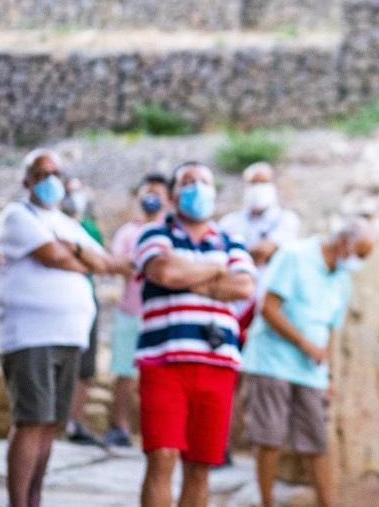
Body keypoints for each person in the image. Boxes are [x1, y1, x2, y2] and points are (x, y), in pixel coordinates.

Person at [0, 149, 132, 507]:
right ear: (27, 180)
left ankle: (35, 497)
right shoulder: (17, 216)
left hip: (68, 335)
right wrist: (79, 256)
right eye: (41, 174)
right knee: (31, 419)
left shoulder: (67, 224)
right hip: (30, 335)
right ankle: (18, 501)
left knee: (51, 421)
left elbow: (102, 263)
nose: (49, 181)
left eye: (55, 173)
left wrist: (73, 249)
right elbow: (52, 256)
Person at [135, 161, 256, 507]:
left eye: (204, 181)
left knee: (200, 466)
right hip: (164, 363)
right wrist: (217, 270)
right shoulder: (155, 234)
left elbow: (244, 285)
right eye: (188, 181)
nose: (197, 187)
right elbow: (166, 272)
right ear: (173, 195)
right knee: (162, 457)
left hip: (217, 364)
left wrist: (189, 276)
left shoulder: (232, 239)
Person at [240, 217, 374, 507]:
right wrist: (304, 344)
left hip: (310, 370)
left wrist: (329, 374)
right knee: (269, 437)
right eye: (360, 255)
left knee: (316, 439)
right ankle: (266, 502)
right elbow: (269, 308)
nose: (360, 262)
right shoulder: (295, 255)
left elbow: (330, 330)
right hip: (272, 361)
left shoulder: (342, 277)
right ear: (343, 243)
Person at [105, 173, 171, 448]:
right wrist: (149, 263)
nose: (151, 198)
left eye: (157, 192)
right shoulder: (128, 232)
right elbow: (116, 264)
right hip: (130, 311)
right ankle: (120, 427)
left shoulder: (172, 230)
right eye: (146, 192)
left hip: (164, 315)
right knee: (124, 371)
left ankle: (160, 429)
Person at [218, 162, 301, 325]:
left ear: (274, 185)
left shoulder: (286, 219)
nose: (258, 188)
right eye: (253, 183)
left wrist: (236, 258)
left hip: (270, 307)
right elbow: (219, 260)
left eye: (263, 182)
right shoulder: (229, 222)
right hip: (236, 307)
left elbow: (265, 250)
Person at [61, 177, 108, 447]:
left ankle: (74, 422)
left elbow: (98, 261)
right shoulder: (47, 223)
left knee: (86, 367)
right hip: (60, 306)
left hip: (86, 302)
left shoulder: (89, 227)